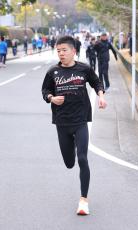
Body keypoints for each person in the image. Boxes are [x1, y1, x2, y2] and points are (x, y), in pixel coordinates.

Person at [41, 35, 107, 215]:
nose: (61, 54)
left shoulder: (84, 69)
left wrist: (101, 95)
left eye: (64, 50)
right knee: (70, 163)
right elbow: (45, 90)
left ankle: (83, 200)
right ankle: (73, 149)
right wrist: (51, 98)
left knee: (83, 158)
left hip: (80, 121)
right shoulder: (53, 72)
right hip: (62, 122)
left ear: (73, 52)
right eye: (58, 51)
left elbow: (96, 82)